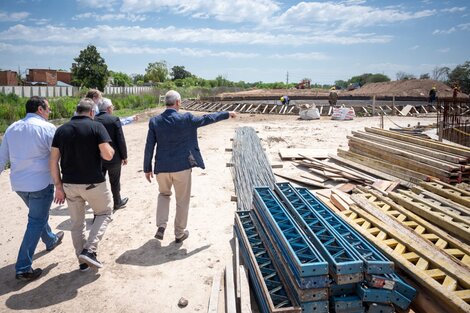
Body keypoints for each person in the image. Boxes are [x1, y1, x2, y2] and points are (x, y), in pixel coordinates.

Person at [143, 90, 236, 243]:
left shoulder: (154, 121)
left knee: (164, 195)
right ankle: (179, 233)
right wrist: (227, 113)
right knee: (182, 201)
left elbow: (149, 146)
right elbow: (208, 118)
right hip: (181, 168)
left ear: (166, 102)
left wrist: (147, 168)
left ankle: (161, 225)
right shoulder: (186, 118)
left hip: (161, 168)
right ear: (178, 102)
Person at [0, 96, 64, 281]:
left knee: (37, 216)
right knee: (36, 221)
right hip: (40, 183)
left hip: (19, 184)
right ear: (39, 109)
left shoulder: (12, 128)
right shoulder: (46, 128)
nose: (49, 112)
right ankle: (23, 267)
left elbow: (2, 158)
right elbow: (58, 156)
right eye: (48, 109)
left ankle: (50, 239)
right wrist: (61, 182)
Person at [50, 98, 115, 271]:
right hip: (93, 182)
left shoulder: (61, 130)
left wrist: (58, 186)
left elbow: (53, 160)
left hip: (69, 184)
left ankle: (82, 261)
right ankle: (89, 250)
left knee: (77, 224)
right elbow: (108, 155)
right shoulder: (96, 127)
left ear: (77, 111)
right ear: (92, 112)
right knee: (104, 212)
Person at [95, 97, 129, 211]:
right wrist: (124, 156)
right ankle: (117, 202)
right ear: (109, 108)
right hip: (113, 157)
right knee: (115, 181)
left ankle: (100, 206)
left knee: (99, 182)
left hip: (97, 158)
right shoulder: (114, 119)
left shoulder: (93, 120)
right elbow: (120, 139)